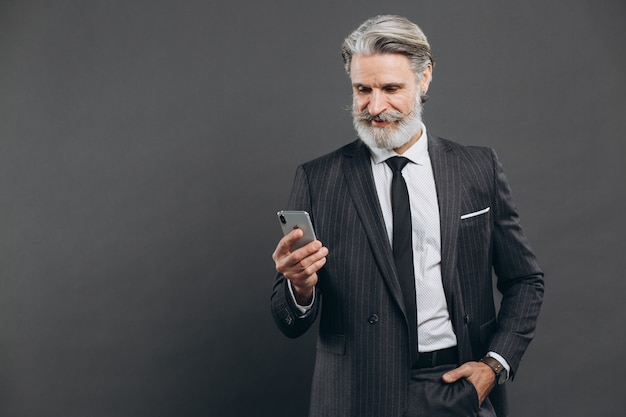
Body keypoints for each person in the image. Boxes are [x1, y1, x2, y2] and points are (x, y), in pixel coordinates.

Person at [271, 15, 543, 417]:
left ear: (425, 78)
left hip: (457, 390)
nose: (375, 106)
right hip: (354, 396)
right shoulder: (317, 178)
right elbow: (288, 320)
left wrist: (494, 366)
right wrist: (299, 288)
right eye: (363, 89)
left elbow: (525, 280)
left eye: (391, 88)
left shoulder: (477, 167)